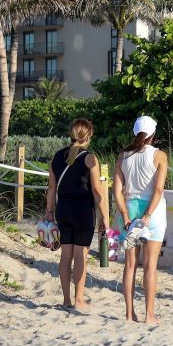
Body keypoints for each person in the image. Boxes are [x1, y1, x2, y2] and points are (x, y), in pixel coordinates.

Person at [45, 118, 110, 311]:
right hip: (83, 211)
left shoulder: (57, 157)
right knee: (81, 255)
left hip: (63, 209)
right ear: (88, 136)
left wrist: (49, 212)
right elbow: (98, 192)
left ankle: (66, 300)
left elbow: (51, 188)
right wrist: (104, 216)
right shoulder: (90, 158)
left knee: (65, 256)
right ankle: (79, 299)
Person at [113, 115, 168, 324]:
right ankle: (149, 315)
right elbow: (159, 189)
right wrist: (147, 216)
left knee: (129, 265)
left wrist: (126, 216)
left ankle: (129, 314)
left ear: (135, 133)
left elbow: (117, 191)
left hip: (129, 207)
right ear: (153, 134)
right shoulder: (159, 155)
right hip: (151, 212)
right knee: (150, 266)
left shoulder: (123, 156)